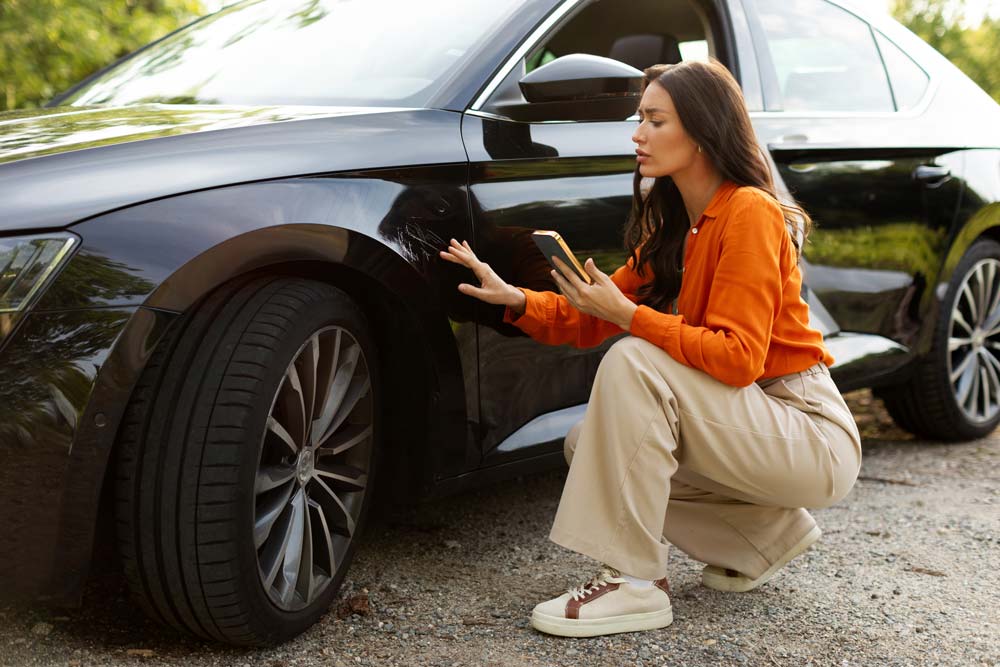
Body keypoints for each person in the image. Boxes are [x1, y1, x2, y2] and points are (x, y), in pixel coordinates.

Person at [438, 59, 862, 638]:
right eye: (640, 118)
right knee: (589, 441)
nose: (637, 133)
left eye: (655, 120)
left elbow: (737, 358)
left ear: (703, 131)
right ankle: (763, 539)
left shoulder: (750, 212)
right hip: (750, 420)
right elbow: (591, 312)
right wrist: (515, 297)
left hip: (805, 426)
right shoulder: (676, 230)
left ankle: (635, 583)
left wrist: (633, 320)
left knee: (634, 358)